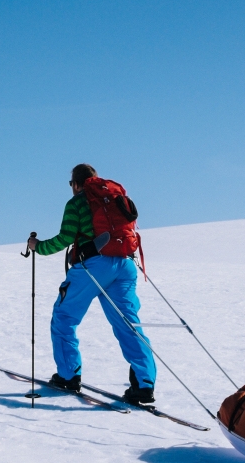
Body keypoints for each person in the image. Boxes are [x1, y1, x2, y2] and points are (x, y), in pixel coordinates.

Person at [26, 164, 157, 404]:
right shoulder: (113, 196)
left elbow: (65, 237)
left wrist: (38, 247)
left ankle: (68, 376)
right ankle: (144, 384)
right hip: (125, 263)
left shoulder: (76, 202)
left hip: (93, 266)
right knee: (128, 324)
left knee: (64, 317)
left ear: (75, 184)